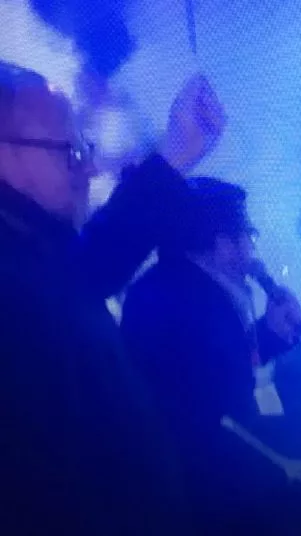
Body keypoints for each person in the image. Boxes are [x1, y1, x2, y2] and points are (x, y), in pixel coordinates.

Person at [0, 61, 226, 534]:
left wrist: (175, 152)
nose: (89, 168)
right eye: (70, 152)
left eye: (85, 149)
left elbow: (80, 274)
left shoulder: (29, 252)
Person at [120, 177, 301, 535]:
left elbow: (211, 371)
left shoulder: (172, 287)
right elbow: (221, 422)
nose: (252, 250)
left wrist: (269, 335)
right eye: (247, 236)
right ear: (223, 244)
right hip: (209, 502)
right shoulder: (196, 304)